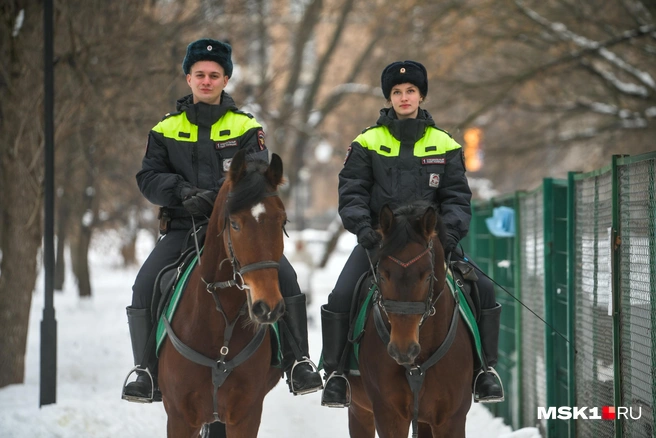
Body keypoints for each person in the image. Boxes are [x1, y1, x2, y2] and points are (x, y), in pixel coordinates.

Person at [122, 38, 323, 404]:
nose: (206, 80)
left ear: (226, 79)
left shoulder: (246, 127)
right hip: (184, 229)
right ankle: (146, 370)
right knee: (145, 283)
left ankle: (298, 362)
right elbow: (148, 178)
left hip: (239, 229)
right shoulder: (165, 129)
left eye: (215, 75)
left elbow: (257, 172)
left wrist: (216, 195)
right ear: (188, 78)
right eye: (199, 74)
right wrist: (182, 192)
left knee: (287, 278)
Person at [320, 60, 504, 407]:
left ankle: (485, 372)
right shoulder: (366, 141)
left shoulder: (445, 144)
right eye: (397, 92)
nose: (404, 97)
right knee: (342, 293)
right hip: (379, 243)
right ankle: (337, 374)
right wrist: (364, 229)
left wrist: (448, 236)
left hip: (432, 245)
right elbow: (352, 193)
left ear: (421, 95)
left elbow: (456, 198)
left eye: (411, 91)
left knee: (484, 288)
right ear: (389, 98)